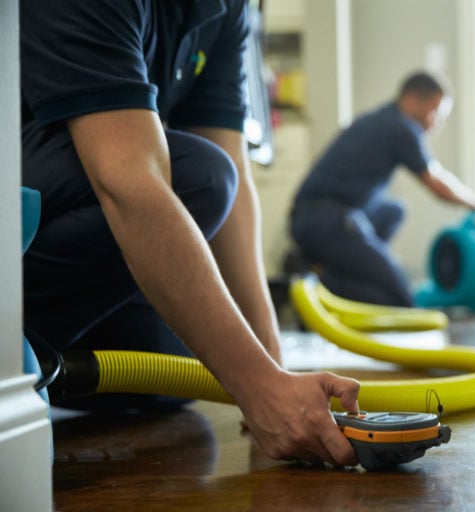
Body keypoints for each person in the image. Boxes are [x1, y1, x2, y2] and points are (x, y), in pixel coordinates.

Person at [20, 0, 360, 467]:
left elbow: (236, 178)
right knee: (199, 176)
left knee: (184, 350)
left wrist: (271, 362)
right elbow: (131, 184)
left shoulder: (224, 8)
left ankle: (37, 357)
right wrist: (258, 387)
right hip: (13, 208)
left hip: (54, 223)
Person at [290, 71, 475, 307]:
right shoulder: (400, 128)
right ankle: (318, 281)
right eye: (435, 112)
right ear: (412, 100)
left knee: (395, 209)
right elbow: (436, 183)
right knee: (401, 298)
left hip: (320, 218)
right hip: (323, 221)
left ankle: (347, 270)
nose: (437, 122)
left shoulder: (383, 119)